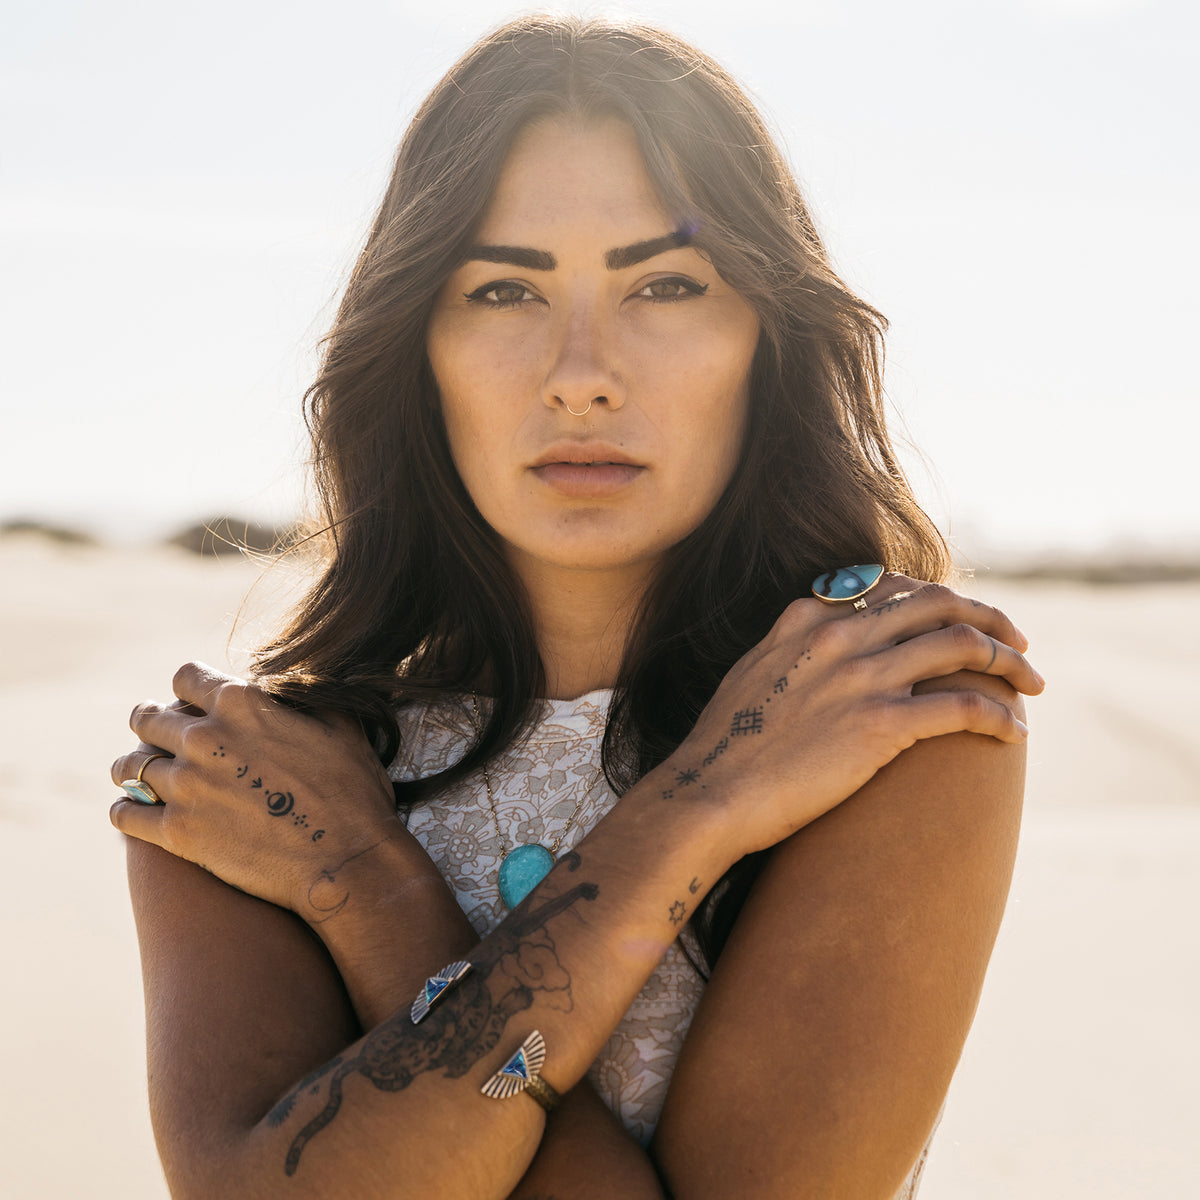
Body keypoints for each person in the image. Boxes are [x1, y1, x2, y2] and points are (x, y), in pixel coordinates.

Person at [109, 15, 1043, 1199]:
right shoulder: (256, 774)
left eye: (667, 284)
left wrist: (364, 889)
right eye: (504, 289)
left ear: (766, 335)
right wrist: (701, 807)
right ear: (417, 344)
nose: (583, 374)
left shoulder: (883, 709)